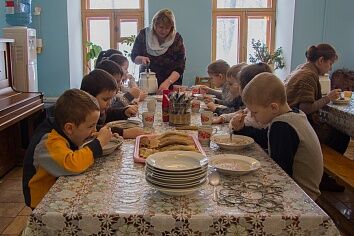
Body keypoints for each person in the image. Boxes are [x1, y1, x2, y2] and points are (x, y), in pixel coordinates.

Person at [232, 72, 323, 200]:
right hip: (299, 188)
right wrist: (241, 129)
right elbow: (265, 137)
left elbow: (280, 172)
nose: (252, 116)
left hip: (300, 195)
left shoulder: (282, 126)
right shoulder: (294, 115)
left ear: (273, 107)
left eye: (255, 112)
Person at [23, 89, 113, 209]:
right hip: (44, 201)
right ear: (69, 128)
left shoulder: (63, 129)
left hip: (59, 190)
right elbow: (72, 163)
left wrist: (98, 136)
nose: (95, 130)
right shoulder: (49, 141)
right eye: (91, 126)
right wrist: (99, 142)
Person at [285, 43, 349, 192]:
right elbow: (305, 108)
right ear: (321, 60)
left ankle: (323, 173)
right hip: (297, 124)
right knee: (341, 135)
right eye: (330, 63)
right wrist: (329, 98)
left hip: (289, 121)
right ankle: (322, 176)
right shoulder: (309, 75)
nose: (331, 68)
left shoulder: (301, 69)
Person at [131, 9, 186, 91]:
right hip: (147, 83)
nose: (163, 31)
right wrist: (141, 59)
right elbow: (134, 56)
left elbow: (180, 67)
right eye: (161, 27)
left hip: (170, 83)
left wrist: (167, 83)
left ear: (172, 28)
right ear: (154, 25)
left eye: (167, 28)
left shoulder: (176, 39)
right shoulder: (143, 35)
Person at [80, 69, 144, 139]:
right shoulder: (82, 114)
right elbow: (94, 129)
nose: (109, 103)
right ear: (89, 96)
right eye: (105, 99)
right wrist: (124, 133)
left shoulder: (100, 109)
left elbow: (108, 114)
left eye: (111, 99)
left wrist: (124, 112)